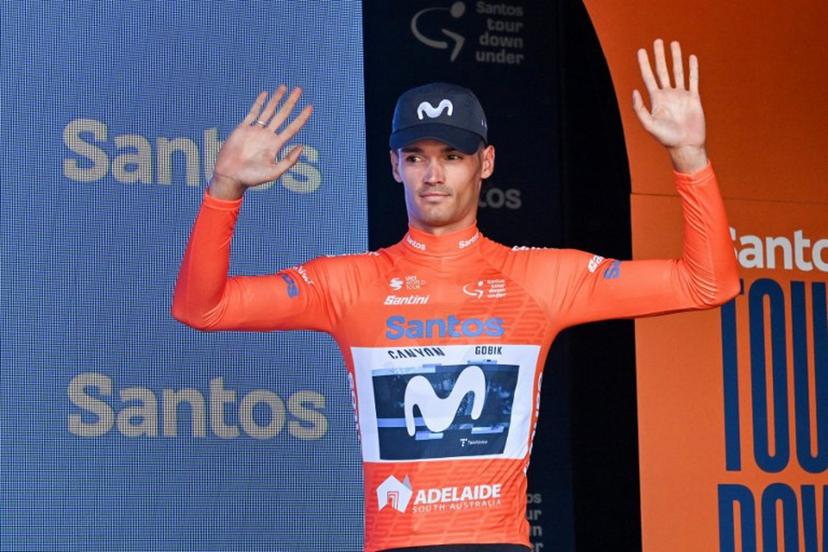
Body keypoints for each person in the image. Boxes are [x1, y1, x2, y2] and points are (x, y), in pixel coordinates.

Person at [172, 39, 739, 552]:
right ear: (394, 165)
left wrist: (690, 158)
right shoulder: (349, 283)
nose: (433, 175)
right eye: (416, 156)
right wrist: (226, 189)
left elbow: (708, 282)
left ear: (484, 163)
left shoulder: (542, 279)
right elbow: (203, 307)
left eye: (452, 155)